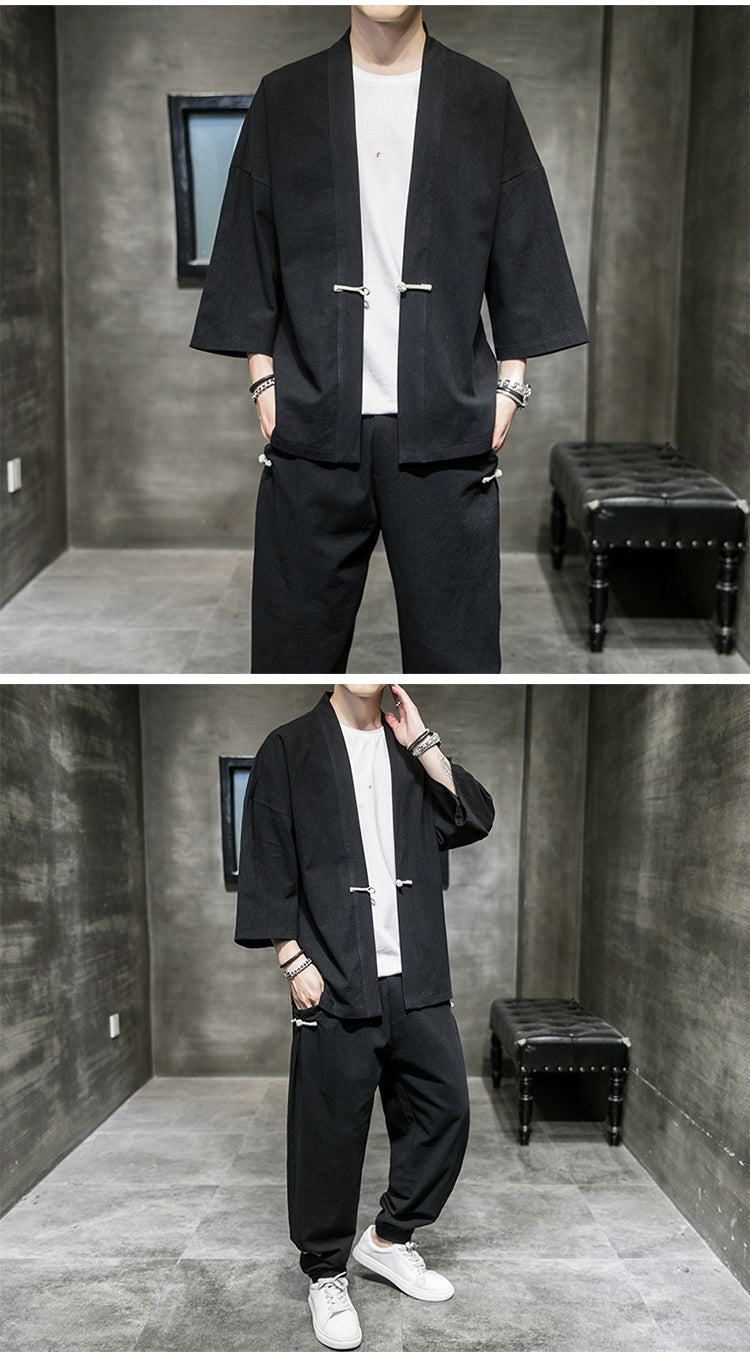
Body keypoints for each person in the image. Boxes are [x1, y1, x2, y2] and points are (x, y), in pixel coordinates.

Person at [191, 6, 588, 672]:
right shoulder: (284, 97)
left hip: (446, 430)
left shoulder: (483, 97)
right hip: (313, 424)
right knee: (292, 654)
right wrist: (263, 377)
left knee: (458, 658)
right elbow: (248, 241)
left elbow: (523, 244)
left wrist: (511, 385)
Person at [235, 682, 494, 1349]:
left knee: (445, 1110)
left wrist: (424, 743)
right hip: (332, 973)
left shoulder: (408, 750)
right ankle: (326, 1273)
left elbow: (472, 816)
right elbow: (266, 856)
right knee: (327, 1132)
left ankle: (387, 1239)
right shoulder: (289, 748)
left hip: (416, 974)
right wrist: (292, 958)